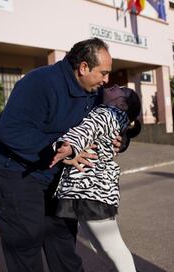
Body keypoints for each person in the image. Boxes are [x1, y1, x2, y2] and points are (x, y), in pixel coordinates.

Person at [0, 38, 125, 271]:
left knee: (61, 234)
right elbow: (11, 131)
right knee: (26, 240)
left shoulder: (93, 90)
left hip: (56, 173)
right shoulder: (39, 83)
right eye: (103, 73)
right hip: (15, 168)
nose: (106, 80)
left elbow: (112, 117)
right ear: (83, 67)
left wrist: (122, 139)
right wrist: (62, 150)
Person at [50, 84, 141, 272]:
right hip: (89, 190)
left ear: (122, 104)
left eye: (120, 90)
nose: (113, 85)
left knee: (112, 248)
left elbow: (87, 129)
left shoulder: (107, 114)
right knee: (104, 248)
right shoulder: (108, 111)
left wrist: (68, 146)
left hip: (92, 191)